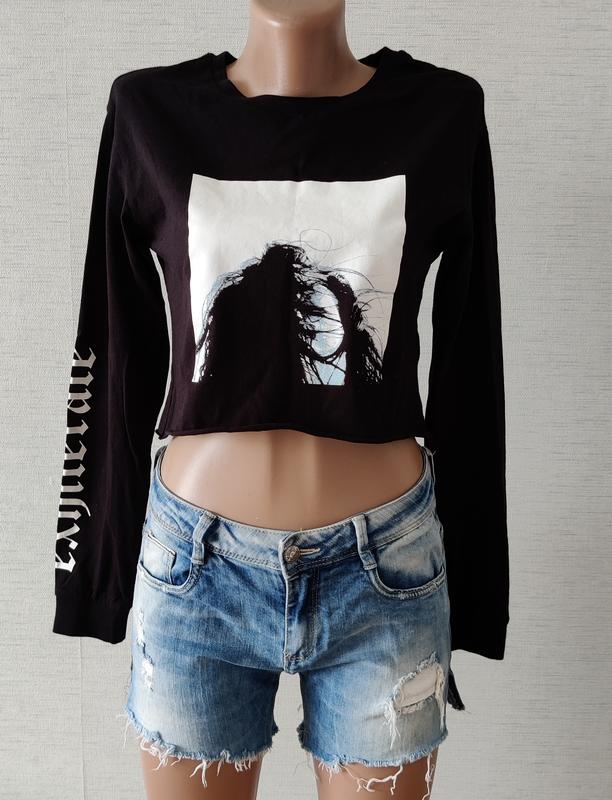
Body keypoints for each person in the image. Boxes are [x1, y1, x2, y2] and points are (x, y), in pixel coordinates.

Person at [53, 0, 509, 797]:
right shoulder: (151, 112)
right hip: (197, 569)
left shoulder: (442, 114)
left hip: (385, 569)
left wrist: (478, 587)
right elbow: (115, 350)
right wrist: (92, 572)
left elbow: (471, 367)